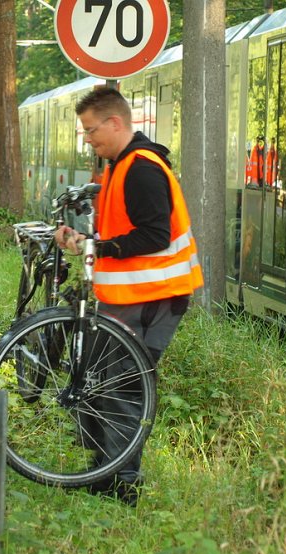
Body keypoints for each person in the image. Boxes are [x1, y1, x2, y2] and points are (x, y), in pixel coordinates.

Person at [54, 87, 204, 505]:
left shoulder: (141, 168)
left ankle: (122, 488)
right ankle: (104, 473)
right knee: (106, 384)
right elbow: (124, 233)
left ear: (115, 123)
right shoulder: (119, 166)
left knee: (123, 388)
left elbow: (153, 235)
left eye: (90, 130)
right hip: (131, 297)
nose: (87, 139)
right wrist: (85, 241)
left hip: (153, 298)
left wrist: (98, 247)